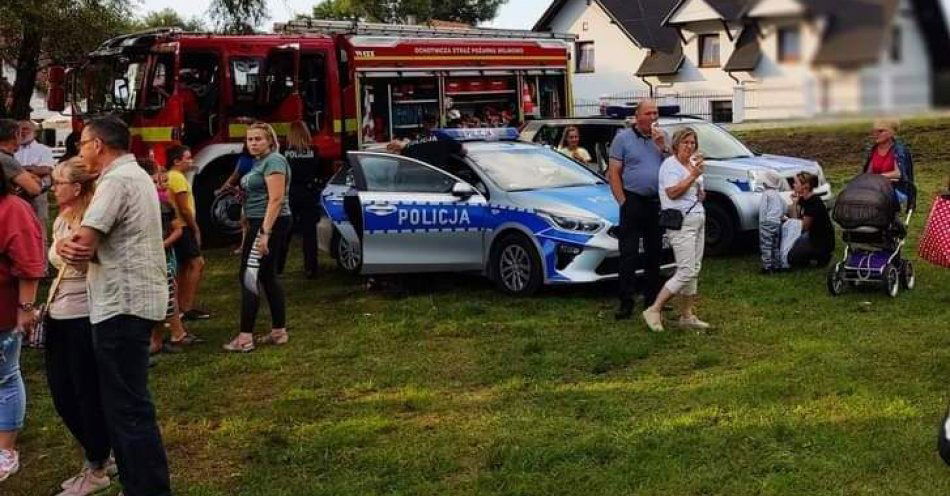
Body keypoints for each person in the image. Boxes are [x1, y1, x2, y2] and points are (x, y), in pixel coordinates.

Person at [56, 116, 171, 496]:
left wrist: (62, 245)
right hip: (133, 301)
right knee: (126, 403)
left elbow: (80, 245)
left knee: (127, 407)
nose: (80, 151)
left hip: (122, 305)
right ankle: (139, 483)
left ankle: (147, 488)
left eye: (82, 144)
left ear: (98, 145)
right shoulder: (134, 175)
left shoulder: (115, 181)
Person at [45, 157, 117, 495]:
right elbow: (60, 254)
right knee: (63, 392)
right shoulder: (63, 218)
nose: (53, 187)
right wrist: (59, 250)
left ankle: (98, 463)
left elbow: (76, 257)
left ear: (77, 187)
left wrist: (59, 251)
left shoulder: (90, 219)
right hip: (59, 310)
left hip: (81, 313)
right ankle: (101, 449)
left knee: (84, 392)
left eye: (60, 182)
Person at [223, 122, 291, 352]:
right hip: (256, 221)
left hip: (269, 223)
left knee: (248, 276)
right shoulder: (258, 162)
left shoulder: (274, 161)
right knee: (266, 276)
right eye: (250, 139)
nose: (253, 143)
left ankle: (245, 338)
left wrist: (265, 233)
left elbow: (276, 199)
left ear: (270, 141)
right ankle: (278, 331)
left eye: (258, 139)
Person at [0, 161, 44, 482]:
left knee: (4, 377)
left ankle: (6, 450)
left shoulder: (12, 209)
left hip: (3, 312)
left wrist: (26, 308)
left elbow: (29, 263)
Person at [641, 127, 709, 332]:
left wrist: (700, 190)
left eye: (692, 143)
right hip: (681, 223)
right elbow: (672, 193)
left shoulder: (691, 164)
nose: (689, 146)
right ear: (676, 145)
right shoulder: (670, 166)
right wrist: (693, 177)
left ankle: (687, 315)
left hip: (697, 218)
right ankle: (654, 308)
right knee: (686, 269)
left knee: (694, 269)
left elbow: (694, 190)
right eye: (685, 142)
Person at [607, 99, 668, 320]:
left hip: (655, 202)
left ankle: (652, 300)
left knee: (654, 253)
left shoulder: (661, 137)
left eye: (656, 113)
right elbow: (614, 172)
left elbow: (673, 167)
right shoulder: (623, 139)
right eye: (649, 113)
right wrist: (622, 201)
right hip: (633, 200)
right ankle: (626, 301)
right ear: (637, 115)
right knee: (629, 254)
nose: (653, 117)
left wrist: (663, 147)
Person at [165, 145, 211, 320]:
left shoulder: (171, 177)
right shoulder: (177, 178)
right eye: (187, 157)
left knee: (183, 267)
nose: (191, 161)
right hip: (183, 227)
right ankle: (187, 306)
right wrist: (195, 227)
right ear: (176, 161)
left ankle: (181, 305)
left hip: (178, 227)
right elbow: (184, 208)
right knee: (197, 263)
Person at [281, 121, 320, 278]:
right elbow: (317, 171)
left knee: (285, 232)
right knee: (309, 233)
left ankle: (278, 267)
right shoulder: (314, 151)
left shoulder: (284, 152)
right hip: (308, 193)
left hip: (289, 193)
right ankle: (311, 268)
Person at [787, 171, 835, 268]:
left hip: (819, 239)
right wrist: (795, 204)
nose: (793, 185)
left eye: (796, 183)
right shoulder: (802, 200)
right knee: (792, 257)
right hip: (810, 235)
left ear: (806, 186)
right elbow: (795, 219)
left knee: (792, 259)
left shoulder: (814, 203)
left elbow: (804, 227)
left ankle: (821, 256)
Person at [15, 120, 54, 237]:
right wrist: (33, 169)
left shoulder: (44, 149)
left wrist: (20, 170)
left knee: (40, 230)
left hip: (38, 194)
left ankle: (42, 254)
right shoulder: (13, 148)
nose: (23, 132)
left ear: (35, 133)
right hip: (16, 196)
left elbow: (47, 170)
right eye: (20, 130)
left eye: (26, 129)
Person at [863, 118, 914, 204]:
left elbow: (898, 174)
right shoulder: (872, 150)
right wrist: (884, 178)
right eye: (874, 131)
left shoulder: (899, 150)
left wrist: (877, 177)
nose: (875, 134)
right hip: (876, 188)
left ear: (891, 133)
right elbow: (868, 173)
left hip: (896, 189)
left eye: (880, 131)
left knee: (874, 200)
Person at [0, 119, 41, 198]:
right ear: (16, 135)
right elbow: (34, 189)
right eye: (20, 134)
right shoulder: (6, 160)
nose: (22, 137)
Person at [758, 170, 786, 274]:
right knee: (775, 245)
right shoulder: (777, 194)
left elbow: (763, 209)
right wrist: (781, 215)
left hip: (767, 223)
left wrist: (761, 221)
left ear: (765, 183)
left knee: (766, 245)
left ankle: (767, 267)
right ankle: (777, 265)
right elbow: (784, 206)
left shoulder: (766, 194)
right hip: (777, 223)